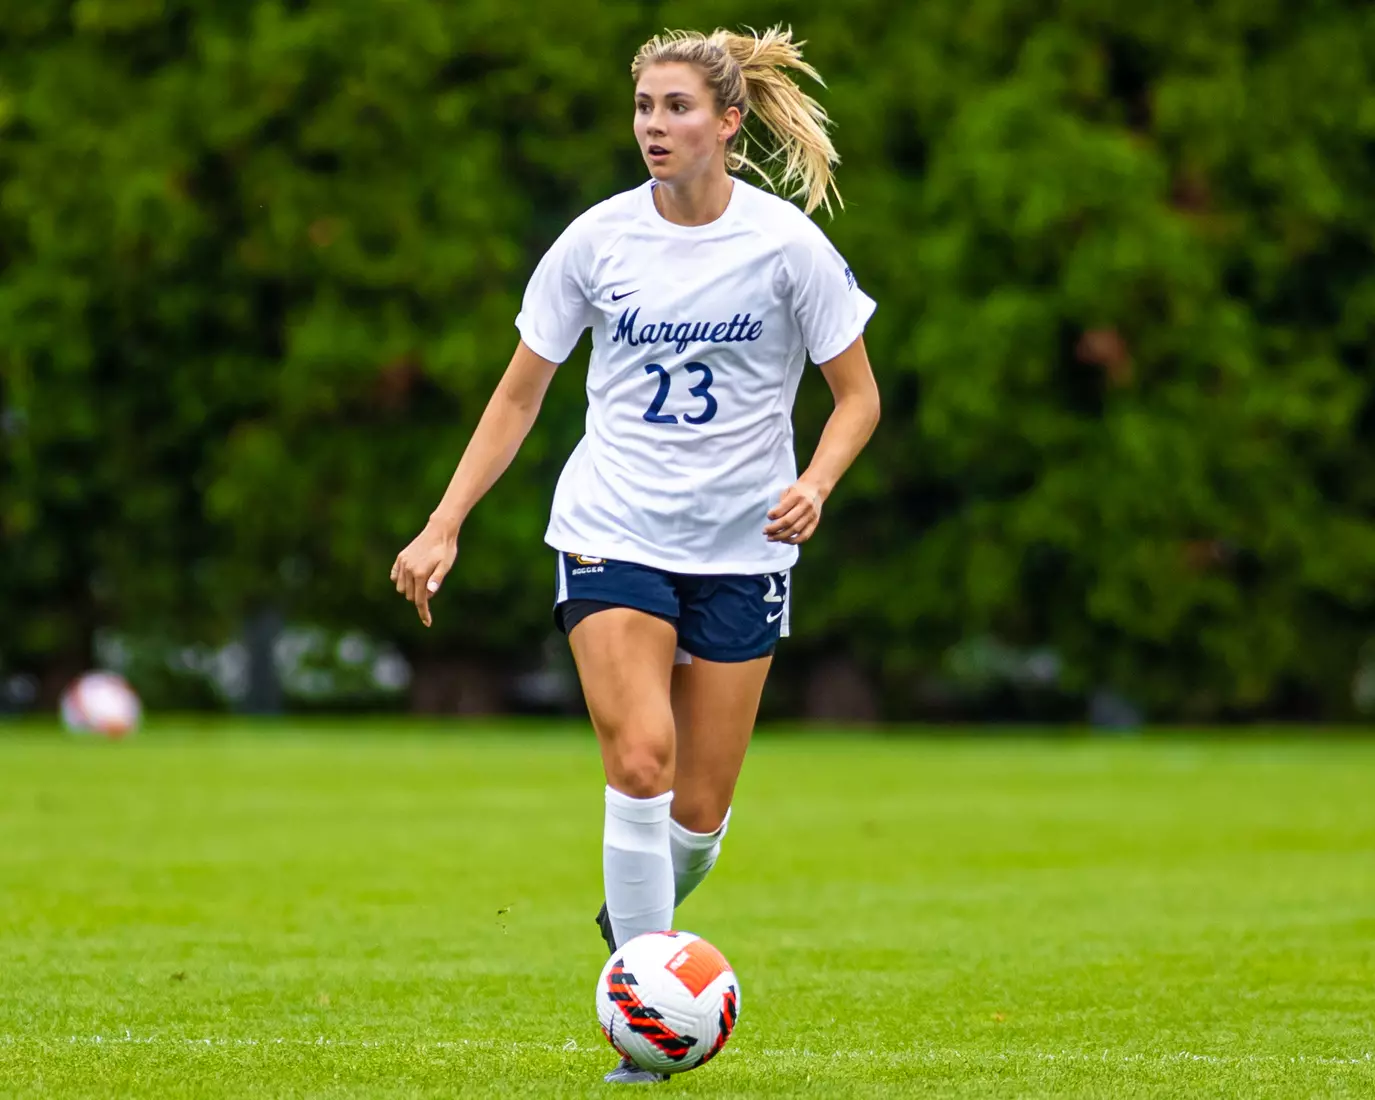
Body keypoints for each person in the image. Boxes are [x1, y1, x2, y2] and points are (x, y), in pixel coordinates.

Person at [390, 25, 880, 1083]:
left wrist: (814, 483)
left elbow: (857, 397)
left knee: (695, 818)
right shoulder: (596, 241)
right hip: (613, 530)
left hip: (744, 548)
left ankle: (636, 918)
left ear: (729, 122)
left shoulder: (786, 246)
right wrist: (445, 519)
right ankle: (647, 1033)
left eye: (677, 107)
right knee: (641, 760)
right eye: (644, 107)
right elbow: (519, 393)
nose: (654, 126)